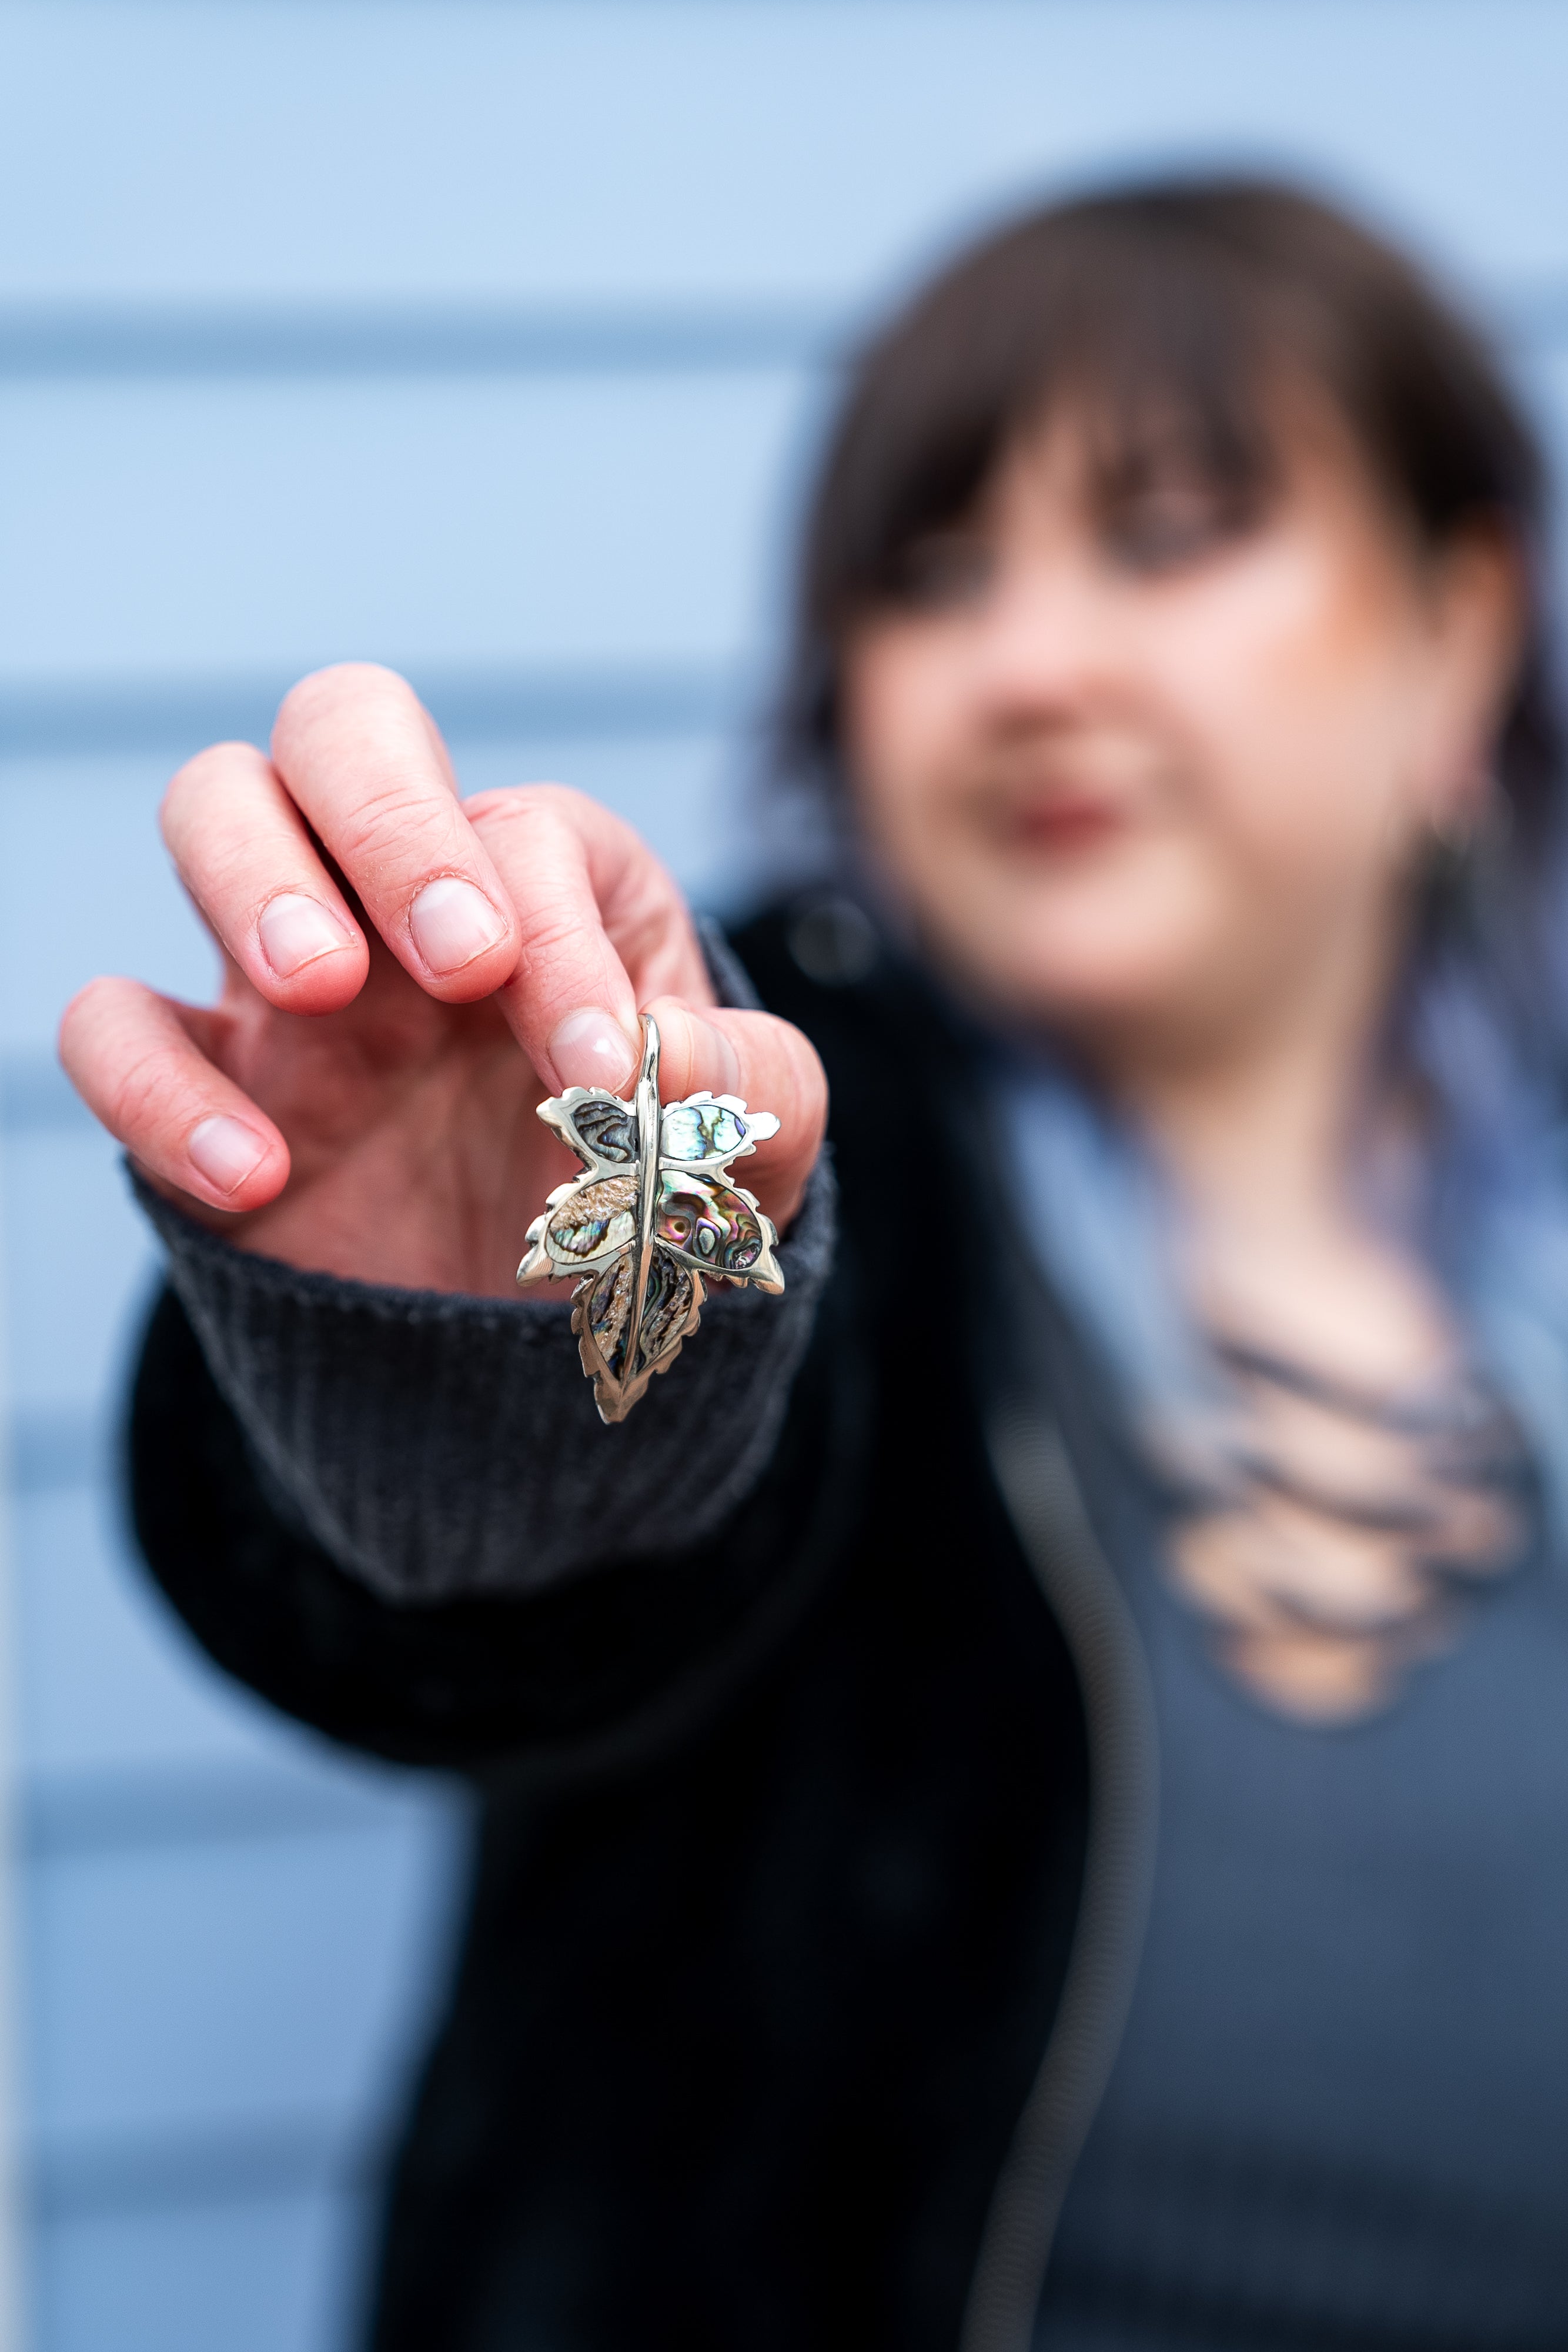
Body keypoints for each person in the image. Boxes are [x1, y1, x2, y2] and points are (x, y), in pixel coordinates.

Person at [59, 176, 1568, 2350]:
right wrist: (475, 1364)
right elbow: (515, 1581)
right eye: (933, 576)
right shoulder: (771, 1140)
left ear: (1458, 631)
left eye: (1166, 536)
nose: (1032, 666)